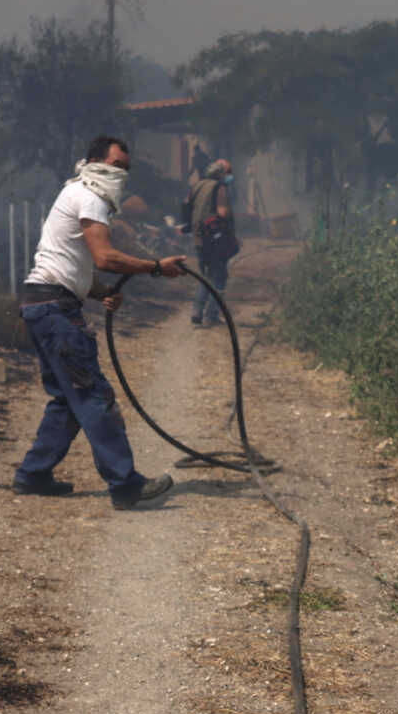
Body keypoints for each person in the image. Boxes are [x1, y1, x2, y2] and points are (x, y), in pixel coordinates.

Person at [12, 135, 188, 508]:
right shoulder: (90, 196)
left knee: (66, 399)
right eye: (114, 165)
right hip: (55, 311)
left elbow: (70, 265)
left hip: (40, 303)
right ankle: (125, 485)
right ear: (94, 162)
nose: (120, 174)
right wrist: (156, 267)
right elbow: (105, 257)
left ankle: (33, 474)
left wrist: (98, 291)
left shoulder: (74, 193)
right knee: (93, 395)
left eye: (125, 168)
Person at [183, 159, 239, 326]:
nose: (230, 176)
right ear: (221, 173)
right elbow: (222, 213)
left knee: (206, 275)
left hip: (199, 238)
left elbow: (187, 207)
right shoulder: (219, 187)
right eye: (228, 172)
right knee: (220, 277)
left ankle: (196, 310)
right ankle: (211, 315)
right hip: (215, 239)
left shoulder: (197, 185)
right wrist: (230, 213)